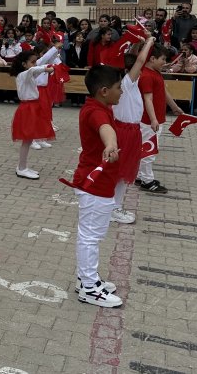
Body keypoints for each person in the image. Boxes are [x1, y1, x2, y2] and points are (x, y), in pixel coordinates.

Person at [67, 65, 123, 308]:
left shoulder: (101, 107)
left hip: (100, 183)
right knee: (90, 237)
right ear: (104, 91)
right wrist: (110, 144)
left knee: (93, 235)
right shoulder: (95, 111)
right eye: (118, 88)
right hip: (94, 184)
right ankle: (89, 288)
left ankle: (86, 279)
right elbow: (105, 129)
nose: (121, 92)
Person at [109, 33, 156, 225]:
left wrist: (140, 43)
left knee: (122, 172)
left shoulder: (128, 83)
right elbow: (141, 60)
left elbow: (136, 57)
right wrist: (150, 41)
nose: (141, 70)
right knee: (122, 173)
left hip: (130, 130)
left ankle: (113, 205)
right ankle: (113, 208)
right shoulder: (127, 83)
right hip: (125, 132)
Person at [137, 44, 184, 194]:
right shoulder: (146, 76)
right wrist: (153, 119)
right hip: (149, 122)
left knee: (145, 149)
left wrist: (175, 107)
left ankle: (140, 176)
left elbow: (164, 91)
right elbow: (148, 99)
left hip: (154, 120)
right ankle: (147, 181)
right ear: (152, 58)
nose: (165, 62)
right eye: (163, 59)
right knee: (149, 152)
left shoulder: (155, 72)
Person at [10, 48, 56, 179]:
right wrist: (46, 69)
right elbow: (33, 70)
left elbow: (35, 70)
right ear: (24, 64)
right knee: (27, 140)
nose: (35, 64)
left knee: (28, 140)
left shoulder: (27, 75)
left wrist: (46, 67)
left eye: (35, 62)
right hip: (28, 109)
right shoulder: (23, 75)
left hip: (33, 107)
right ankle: (21, 168)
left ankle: (23, 166)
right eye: (32, 62)